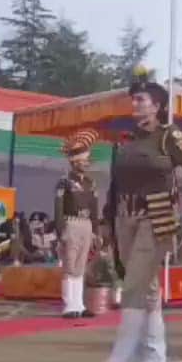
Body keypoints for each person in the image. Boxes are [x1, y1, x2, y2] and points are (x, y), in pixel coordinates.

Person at [87, 68, 182, 362]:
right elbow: (116, 183)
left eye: (141, 99)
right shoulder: (127, 140)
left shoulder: (169, 136)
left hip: (158, 215)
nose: (135, 104)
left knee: (135, 284)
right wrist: (107, 220)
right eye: (133, 99)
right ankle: (154, 359)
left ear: (158, 106)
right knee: (145, 286)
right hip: (125, 215)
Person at [55, 129, 102, 319]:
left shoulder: (91, 183)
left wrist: (96, 231)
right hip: (71, 223)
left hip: (86, 225)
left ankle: (80, 304)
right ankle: (69, 305)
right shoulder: (64, 182)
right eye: (83, 160)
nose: (86, 163)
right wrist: (61, 231)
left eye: (87, 160)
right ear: (74, 162)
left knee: (81, 265)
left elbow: (95, 208)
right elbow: (58, 207)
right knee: (70, 265)